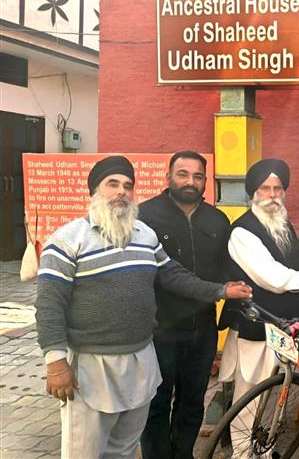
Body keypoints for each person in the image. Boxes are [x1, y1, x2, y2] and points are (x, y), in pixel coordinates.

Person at [34, 156, 252, 458]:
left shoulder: (144, 235)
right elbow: (49, 304)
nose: (121, 192)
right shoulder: (67, 240)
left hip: (140, 358)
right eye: (112, 184)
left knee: (124, 448)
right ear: (94, 190)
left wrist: (221, 290)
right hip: (92, 364)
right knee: (86, 451)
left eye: (127, 185)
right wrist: (56, 363)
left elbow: (173, 275)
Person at [217, 158, 299, 457]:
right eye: (265, 188)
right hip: (256, 328)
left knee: (276, 396)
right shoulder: (242, 232)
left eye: (277, 189)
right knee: (250, 398)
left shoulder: (282, 226)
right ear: (253, 193)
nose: (272, 195)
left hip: (283, 328)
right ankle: (243, 455)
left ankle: (263, 450)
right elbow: (273, 278)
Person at [137, 151, 230, 458]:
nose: (191, 181)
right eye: (183, 174)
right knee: (156, 403)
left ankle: (183, 453)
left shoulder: (217, 220)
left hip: (202, 329)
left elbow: (225, 271)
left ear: (206, 181)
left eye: (198, 176)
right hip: (160, 329)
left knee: (192, 401)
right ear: (168, 177)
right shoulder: (145, 216)